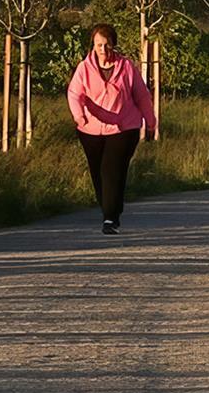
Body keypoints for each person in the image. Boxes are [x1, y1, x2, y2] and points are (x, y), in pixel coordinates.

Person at [67, 23, 157, 235]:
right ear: (93, 45)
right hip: (90, 129)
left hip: (123, 128)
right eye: (98, 45)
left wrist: (151, 120)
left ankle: (110, 217)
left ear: (113, 45)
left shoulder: (126, 67)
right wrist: (79, 116)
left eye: (107, 45)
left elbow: (142, 95)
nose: (103, 50)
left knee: (112, 169)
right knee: (98, 172)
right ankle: (108, 208)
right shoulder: (84, 68)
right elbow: (74, 94)